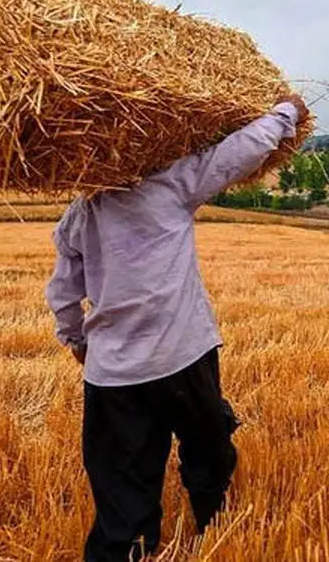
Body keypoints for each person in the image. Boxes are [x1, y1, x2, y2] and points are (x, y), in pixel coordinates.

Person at [45, 95, 308, 561]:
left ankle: (126, 551)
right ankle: (218, 534)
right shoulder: (171, 185)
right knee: (209, 451)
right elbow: (239, 151)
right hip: (182, 356)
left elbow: (64, 293)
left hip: (113, 376)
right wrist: (286, 113)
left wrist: (77, 340)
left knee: (122, 485)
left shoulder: (78, 216)